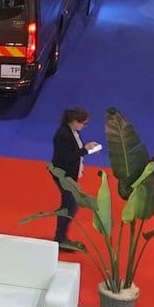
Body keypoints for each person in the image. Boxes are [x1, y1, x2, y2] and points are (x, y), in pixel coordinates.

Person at [50, 108, 96, 251]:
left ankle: (60, 237)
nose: (85, 126)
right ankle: (60, 238)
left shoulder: (72, 131)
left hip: (69, 174)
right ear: (75, 121)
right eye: (84, 123)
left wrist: (87, 149)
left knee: (68, 205)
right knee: (70, 206)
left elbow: (74, 151)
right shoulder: (63, 135)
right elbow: (67, 157)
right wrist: (85, 150)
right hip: (63, 175)